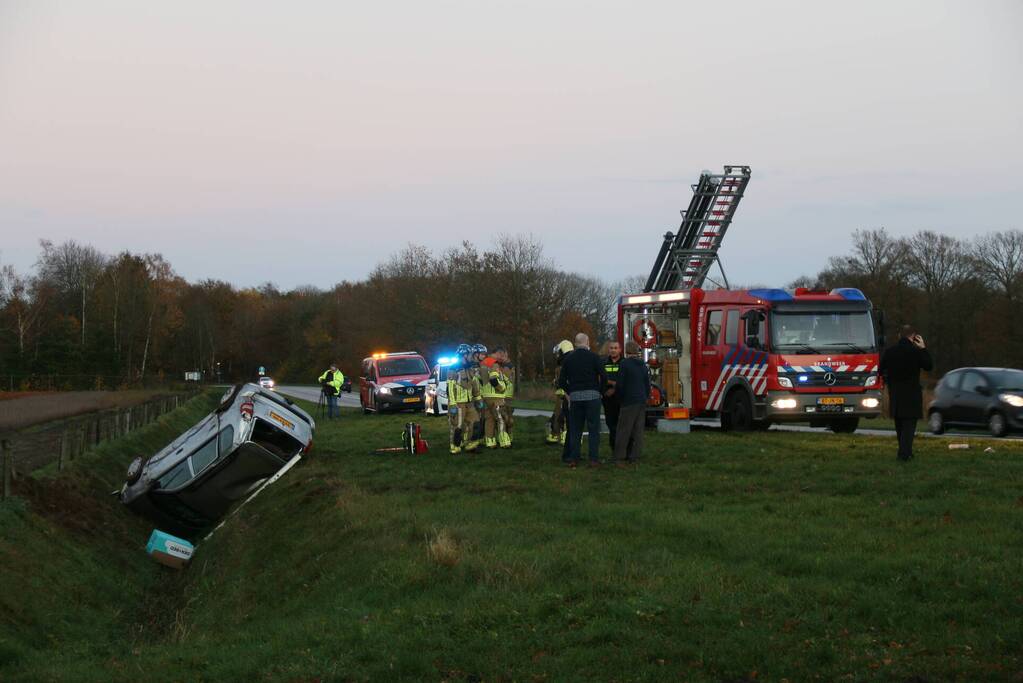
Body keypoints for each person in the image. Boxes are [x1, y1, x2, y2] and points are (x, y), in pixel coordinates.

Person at [880, 325, 933, 461]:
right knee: (909, 427)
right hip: (911, 394)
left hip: (896, 394)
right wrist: (923, 348)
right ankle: (904, 454)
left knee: (900, 426)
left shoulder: (890, 352)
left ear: (899, 335)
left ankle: (905, 452)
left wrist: (888, 379)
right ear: (913, 336)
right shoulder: (916, 352)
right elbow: (928, 365)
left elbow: (881, 369)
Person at [558, 333, 606, 468]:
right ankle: (593, 459)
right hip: (592, 396)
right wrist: (600, 392)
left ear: (575, 343)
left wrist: (571, 391)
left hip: (576, 398)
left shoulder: (568, 359)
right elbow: (604, 376)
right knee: (593, 429)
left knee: (575, 429)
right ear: (587, 342)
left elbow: (561, 381)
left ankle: (574, 459)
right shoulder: (594, 357)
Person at [612, 342, 651, 465]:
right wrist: (646, 397)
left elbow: (620, 384)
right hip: (641, 400)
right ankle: (635, 457)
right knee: (638, 430)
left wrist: (619, 398)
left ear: (626, 351)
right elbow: (647, 385)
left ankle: (619, 457)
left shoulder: (624, 364)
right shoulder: (643, 365)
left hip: (629, 401)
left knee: (624, 430)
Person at [447, 344, 482, 453]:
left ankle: (470, 444)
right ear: (464, 355)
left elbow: (474, 384)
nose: (471, 357)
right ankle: (455, 446)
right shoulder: (453, 369)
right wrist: (452, 403)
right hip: (458, 403)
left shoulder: (470, 368)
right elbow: (450, 387)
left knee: (475, 422)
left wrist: (478, 398)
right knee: (457, 426)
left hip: (469, 402)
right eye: (470, 354)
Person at [480, 347, 510, 449]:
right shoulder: (494, 363)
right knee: (501, 418)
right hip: (495, 396)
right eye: (504, 355)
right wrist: (502, 388)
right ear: (499, 353)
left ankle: (490, 441)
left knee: (489, 419)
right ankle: (504, 442)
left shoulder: (484, 362)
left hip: (486, 395)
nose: (504, 358)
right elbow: (493, 380)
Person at [546, 340, 574, 445]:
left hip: (566, 395)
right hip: (560, 394)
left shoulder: (568, 364)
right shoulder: (562, 365)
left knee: (565, 416)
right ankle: (555, 434)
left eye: (559, 352)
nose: (557, 355)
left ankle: (565, 436)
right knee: (557, 415)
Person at [602, 341, 623, 449]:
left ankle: (621, 448)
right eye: (611, 348)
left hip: (621, 399)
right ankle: (614, 449)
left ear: (620, 350)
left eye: (616, 348)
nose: (613, 350)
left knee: (621, 425)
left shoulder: (624, 363)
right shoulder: (603, 362)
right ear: (608, 350)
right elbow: (600, 378)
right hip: (607, 400)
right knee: (610, 424)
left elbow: (626, 380)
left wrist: (614, 387)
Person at [498, 349, 515, 447]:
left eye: (502, 356)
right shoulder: (510, 366)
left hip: (505, 395)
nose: (500, 358)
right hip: (509, 395)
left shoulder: (506, 368)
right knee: (508, 418)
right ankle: (509, 437)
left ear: (506, 355)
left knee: (504, 418)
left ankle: (506, 438)